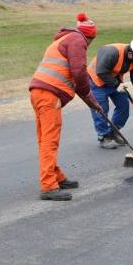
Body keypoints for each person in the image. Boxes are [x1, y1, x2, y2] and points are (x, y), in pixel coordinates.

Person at [28, 13, 104, 201]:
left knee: (44, 139)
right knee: (49, 141)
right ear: (90, 37)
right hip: (49, 95)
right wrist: (91, 100)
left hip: (38, 92)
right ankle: (48, 186)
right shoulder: (78, 41)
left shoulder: (66, 38)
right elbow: (79, 74)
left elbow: (76, 79)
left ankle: (57, 177)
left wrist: (93, 103)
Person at [87, 39, 133, 149]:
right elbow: (101, 71)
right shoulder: (112, 52)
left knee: (123, 106)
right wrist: (116, 84)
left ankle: (114, 132)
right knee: (101, 110)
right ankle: (104, 137)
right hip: (96, 81)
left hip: (115, 81)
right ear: (130, 53)